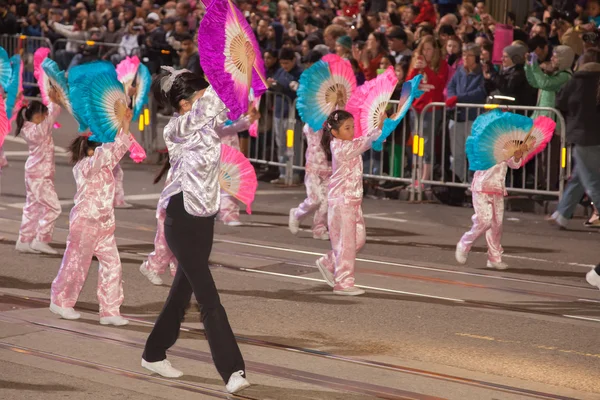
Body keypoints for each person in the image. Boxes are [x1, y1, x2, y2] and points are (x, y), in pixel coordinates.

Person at [141, 68, 249, 394]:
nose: (205, 103)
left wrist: (248, 106)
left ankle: (153, 352)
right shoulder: (177, 127)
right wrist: (227, 74)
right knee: (208, 298)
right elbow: (209, 109)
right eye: (200, 98)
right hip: (181, 220)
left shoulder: (205, 126)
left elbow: (229, 119)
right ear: (185, 104)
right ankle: (233, 370)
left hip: (204, 218)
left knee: (180, 295)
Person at [50, 110, 134, 326]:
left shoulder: (102, 165)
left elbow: (117, 149)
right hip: (86, 222)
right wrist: (112, 128)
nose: (106, 150)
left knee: (113, 264)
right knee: (76, 263)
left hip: (104, 223)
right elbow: (107, 152)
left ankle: (110, 310)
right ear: (89, 151)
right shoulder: (86, 166)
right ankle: (61, 301)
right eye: (98, 148)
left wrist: (124, 123)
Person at [314, 110, 384, 296]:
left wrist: (382, 127)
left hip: (353, 200)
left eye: (352, 127)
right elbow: (365, 143)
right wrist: (379, 129)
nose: (352, 131)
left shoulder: (349, 144)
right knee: (347, 244)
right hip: (342, 201)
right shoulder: (340, 148)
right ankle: (343, 283)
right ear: (335, 133)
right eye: (347, 128)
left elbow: (369, 141)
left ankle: (328, 262)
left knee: (358, 240)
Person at [456, 128, 532, 270]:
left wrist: (517, 155)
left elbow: (514, 165)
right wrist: (506, 151)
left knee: (497, 225)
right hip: (481, 188)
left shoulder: (507, 146)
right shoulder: (483, 144)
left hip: (497, 189)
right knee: (484, 221)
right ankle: (464, 243)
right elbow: (481, 158)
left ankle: (494, 257)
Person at [548, 49, 600, 229]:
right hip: (594, 136)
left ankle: (563, 214)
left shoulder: (576, 81)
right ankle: (562, 214)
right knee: (579, 177)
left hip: (583, 135)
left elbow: (560, 102)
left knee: (591, 180)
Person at [14, 98, 62, 255]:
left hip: (34, 174)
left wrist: (53, 100)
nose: (46, 116)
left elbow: (51, 113)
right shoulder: (38, 130)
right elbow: (53, 113)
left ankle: (24, 240)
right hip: (40, 176)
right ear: (37, 116)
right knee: (53, 207)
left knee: (32, 207)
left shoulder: (29, 128)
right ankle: (41, 239)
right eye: (44, 113)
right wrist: (55, 100)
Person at [445, 43, 487, 183]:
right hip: (457, 117)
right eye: (464, 55)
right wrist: (452, 96)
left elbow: (480, 92)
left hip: (473, 117)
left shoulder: (481, 73)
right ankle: (456, 181)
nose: (466, 58)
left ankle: (471, 183)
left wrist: (459, 98)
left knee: (473, 153)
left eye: (469, 55)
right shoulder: (460, 71)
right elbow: (451, 85)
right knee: (456, 153)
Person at [215, 107, 260, 226]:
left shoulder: (229, 103)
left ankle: (228, 214)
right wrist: (246, 121)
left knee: (230, 181)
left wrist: (249, 117)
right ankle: (214, 211)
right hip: (214, 149)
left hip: (231, 149)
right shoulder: (209, 105)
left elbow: (236, 121)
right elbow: (223, 128)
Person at [288, 122, 332, 241]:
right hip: (314, 166)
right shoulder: (313, 123)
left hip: (330, 166)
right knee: (314, 199)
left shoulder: (336, 119)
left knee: (326, 201)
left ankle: (319, 228)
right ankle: (297, 213)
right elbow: (309, 130)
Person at [139, 158, 177, 286]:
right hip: (169, 211)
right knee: (165, 245)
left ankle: (182, 278)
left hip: (184, 212)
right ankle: (149, 267)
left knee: (182, 247)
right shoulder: (177, 169)